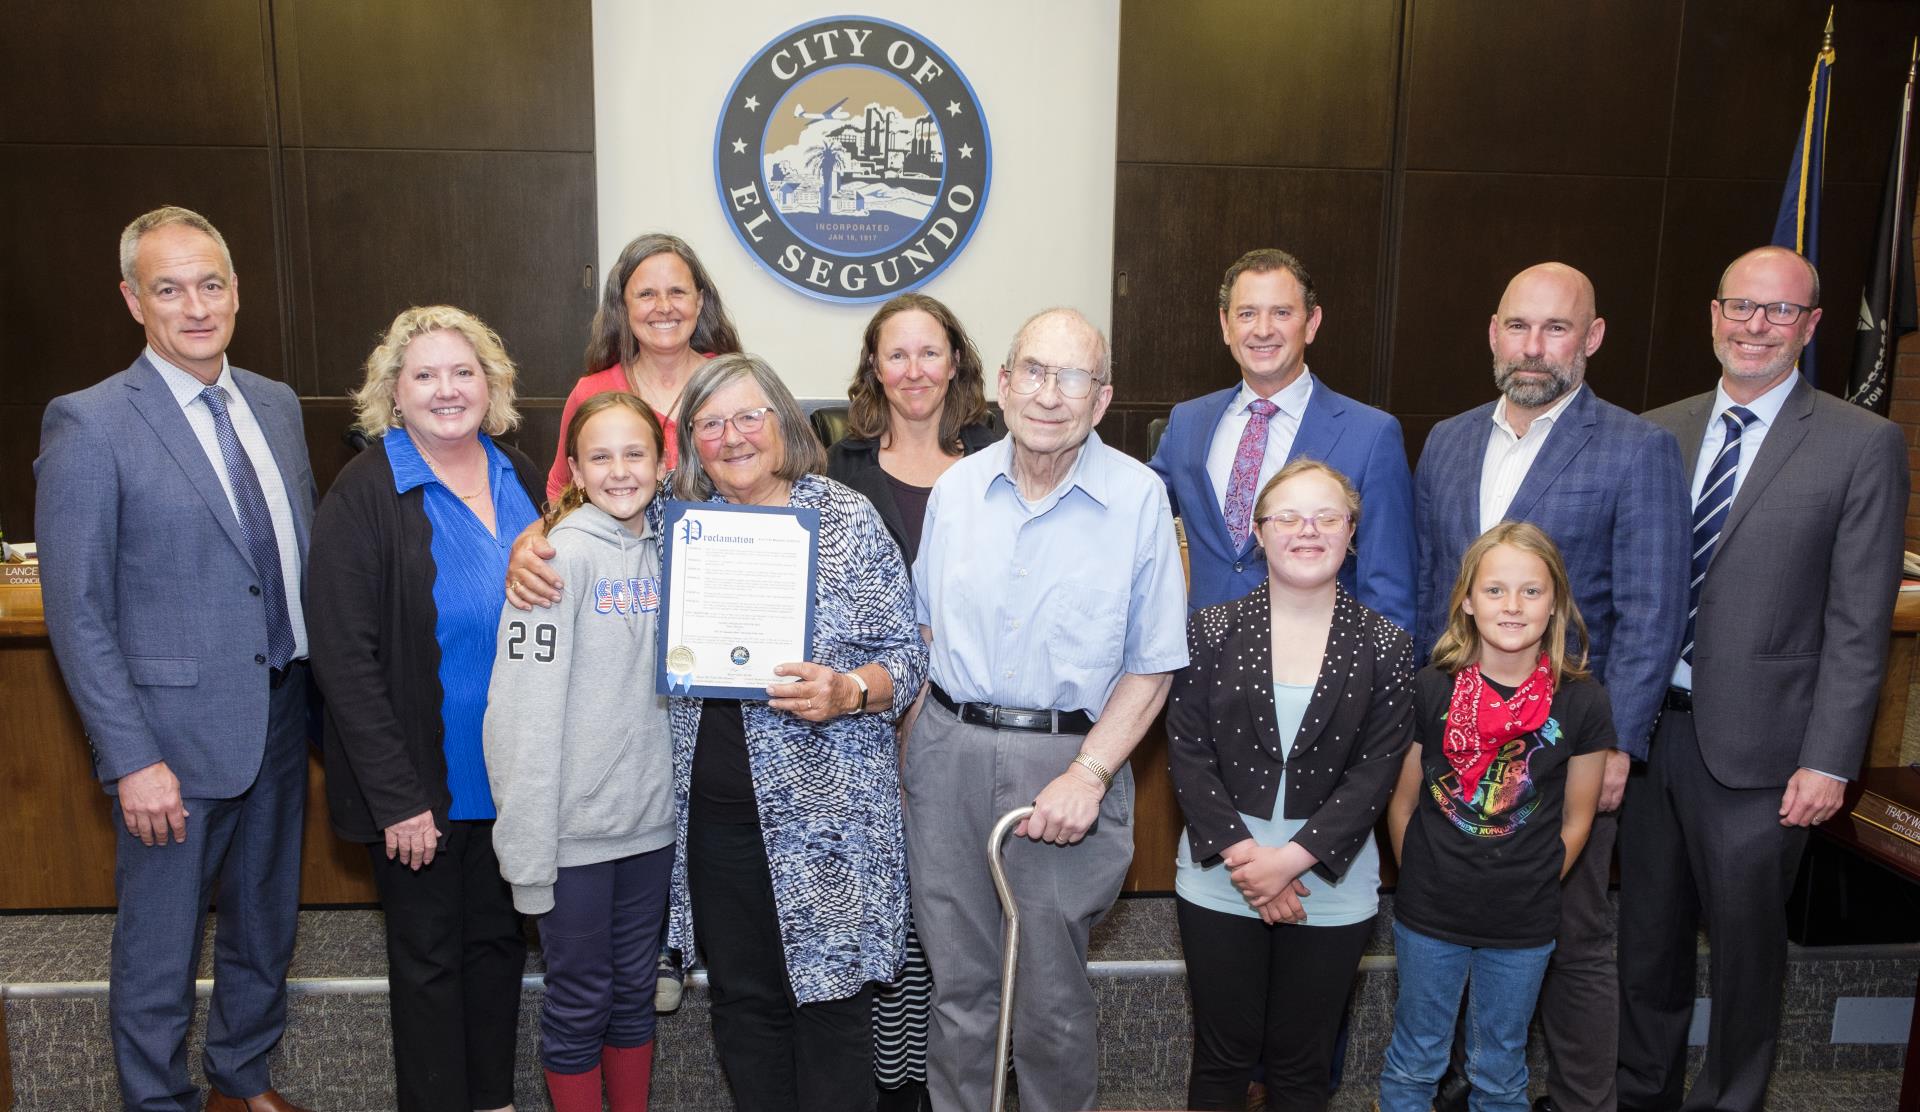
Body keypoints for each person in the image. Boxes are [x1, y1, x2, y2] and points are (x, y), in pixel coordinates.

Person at [36, 205, 317, 1112]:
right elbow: (77, 612)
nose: (195, 307)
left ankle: (242, 1077)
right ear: (133, 300)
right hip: (169, 743)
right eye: (168, 289)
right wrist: (130, 758)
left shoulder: (275, 405)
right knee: (160, 947)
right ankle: (157, 1102)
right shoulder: (89, 423)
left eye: (210, 284)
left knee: (265, 924)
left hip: (282, 712)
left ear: (236, 292)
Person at [1617, 247, 1908, 1112]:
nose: (1756, 325)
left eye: (1780, 311)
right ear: (1714, 316)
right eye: (1741, 306)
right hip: (1648, 737)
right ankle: (1642, 1096)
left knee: (1746, 956)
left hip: (1766, 758)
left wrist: (1829, 760)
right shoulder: (1655, 431)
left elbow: (1859, 623)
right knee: (1647, 946)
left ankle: (1731, 1101)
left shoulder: (1863, 444)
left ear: (1811, 326)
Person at [1413, 262, 1688, 1112]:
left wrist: (1620, 747)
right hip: (1456, 742)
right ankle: (1467, 1086)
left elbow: (1652, 610)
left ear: (1591, 338)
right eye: (1519, 326)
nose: (1534, 347)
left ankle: (1579, 1101)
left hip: (1563, 748)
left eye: (1556, 328)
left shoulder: (1638, 449)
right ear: (1493, 333)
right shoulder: (1448, 439)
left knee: (1573, 933)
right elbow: (1431, 589)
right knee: (1455, 927)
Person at [907, 307, 1189, 1112]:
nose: (1050, 394)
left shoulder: (1138, 498)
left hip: (1064, 769)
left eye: (1074, 378)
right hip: (948, 756)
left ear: (1102, 400)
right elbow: (923, 635)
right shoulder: (957, 490)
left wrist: (1090, 773)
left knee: (1050, 1001)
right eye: (1034, 370)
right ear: (1003, 384)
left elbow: (1153, 665)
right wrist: (911, 762)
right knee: (958, 993)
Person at [662, 354, 926, 1111]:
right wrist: (535, 540)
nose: (732, 437)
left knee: (832, 1007)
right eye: (711, 423)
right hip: (717, 823)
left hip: (831, 821)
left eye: (749, 416)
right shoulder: (672, 521)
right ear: (692, 441)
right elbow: (585, 514)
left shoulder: (844, 518)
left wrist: (849, 690)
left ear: (782, 421)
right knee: (744, 1006)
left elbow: (907, 658)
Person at [308, 305, 543, 1112]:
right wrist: (397, 798)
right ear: (394, 394)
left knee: (499, 950)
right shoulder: (366, 491)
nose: (448, 389)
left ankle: (494, 1100)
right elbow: (344, 661)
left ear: (492, 384)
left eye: (463, 372)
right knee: (431, 965)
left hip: (514, 779)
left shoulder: (521, 472)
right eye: (426, 375)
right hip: (422, 788)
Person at [1168, 459, 1415, 1111]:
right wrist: (1251, 861)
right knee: (1221, 1060)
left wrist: (1288, 863)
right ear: (1258, 531)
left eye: (1327, 517)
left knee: (1302, 1068)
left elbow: (1376, 773)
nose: (1308, 530)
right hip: (1222, 876)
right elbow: (1188, 752)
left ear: (1351, 532)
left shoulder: (1387, 646)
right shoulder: (1209, 630)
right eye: (1289, 517)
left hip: (1329, 885)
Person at [825, 292, 998, 1112]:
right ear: (874, 367)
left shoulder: (1001, 457)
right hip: (871, 724)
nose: (915, 370)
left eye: (931, 352)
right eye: (897, 354)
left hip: (972, 720)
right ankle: (895, 1086)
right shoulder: (841, 467)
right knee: (893, 911)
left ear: (956, 360)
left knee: (959, 915)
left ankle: (953, 1083)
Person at [484, 392, 675, 1112]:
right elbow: (520, 719)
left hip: (651, 829)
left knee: (633, 993)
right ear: (573, 469)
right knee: (580, 998)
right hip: (574, 838)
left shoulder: (680, 549)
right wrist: (529, 856)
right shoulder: (553, 561)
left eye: (635, 454)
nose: (620, 471)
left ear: (663, 464)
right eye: (601, 456)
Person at [1381, 523, 1611, 1112]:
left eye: (1531, 591)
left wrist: (1536, 880)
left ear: (1555, 603)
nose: (1512, 605)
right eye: (1495, 590)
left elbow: (1578, 818)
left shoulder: (1583, 701)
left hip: (1524, 919)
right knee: (1415, 1059)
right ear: (1467, 600)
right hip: (1431, 912)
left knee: (1502, 1068)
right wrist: (1423, 874)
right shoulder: (1428, 688)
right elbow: (1402, 803)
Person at [1149, 248, 1416, 628]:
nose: (1262, 330)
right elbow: (1135, 506)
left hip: (1318, 654)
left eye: (1281, 313)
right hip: (1201, 652)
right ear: (1225, 325)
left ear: (1312, 323)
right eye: (1247, 314)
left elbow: (1388, 588)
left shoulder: (1371, 435)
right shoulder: (1188, 422)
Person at [547, 232, 742, 498]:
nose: (664, 307)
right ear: (623, 306)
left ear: (699, 302)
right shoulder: (591, 393)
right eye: (647, 294)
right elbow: (561, 489)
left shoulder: (736, 384)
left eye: (677, 292)